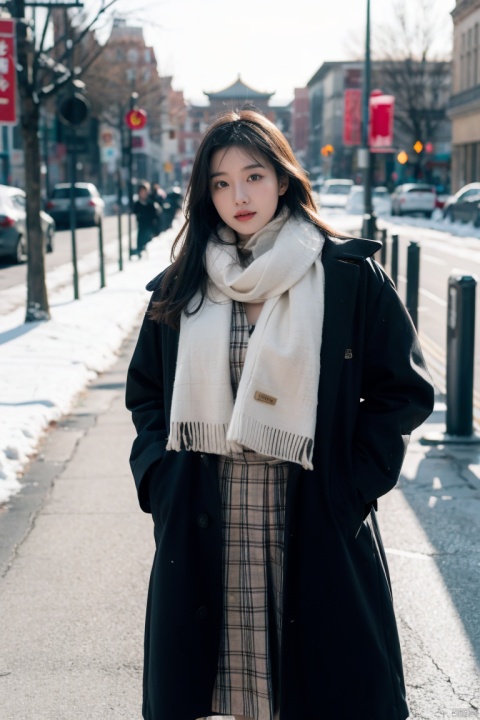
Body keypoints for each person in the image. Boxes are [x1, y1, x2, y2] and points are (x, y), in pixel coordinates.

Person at [125, 109, 434, 720]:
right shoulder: (182, 286)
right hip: (207, 518)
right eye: (219, 182)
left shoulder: (345, 275)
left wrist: (354, 487)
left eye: (253, 176)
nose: (237, 196)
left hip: (313, 515)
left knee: (316, 689)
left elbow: (402, 391)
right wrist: (160, 481)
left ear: (284, 179)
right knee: (226, 689)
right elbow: (147, 396)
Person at [132, 182, 161, 256]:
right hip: (141, 226)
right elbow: (135, 211)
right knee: (140, 242)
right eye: (141, 192)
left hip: (150, 227)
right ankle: (140, 252)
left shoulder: (151, 203)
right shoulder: (137, 204)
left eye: (144, 191)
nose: (143, 194)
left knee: (148, 243)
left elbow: (155, 216)